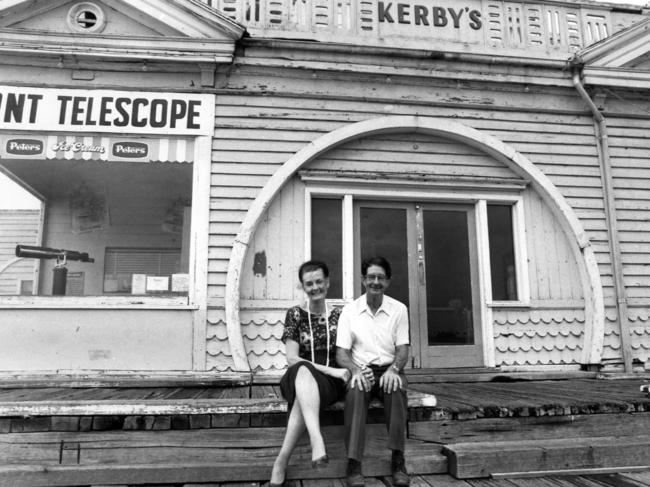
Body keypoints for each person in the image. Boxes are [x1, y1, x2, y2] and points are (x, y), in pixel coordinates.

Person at [269, 260, 351, 487]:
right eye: (309, 283)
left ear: (327, 282)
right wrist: (331, 370)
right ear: (302, 286)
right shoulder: (295, 314)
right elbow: (292, 358)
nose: (315, 287)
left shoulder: (341, 316)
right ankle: (317, 439)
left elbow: (349, 351)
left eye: (318, 282)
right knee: (303, 370)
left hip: (328, 386)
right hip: (297, 378)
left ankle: (282, 459)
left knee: (303, 396)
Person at [336, 256, 411, 487]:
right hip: (362, 370)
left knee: (396, 388)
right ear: (362, 280)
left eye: (380, 277)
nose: (375, 282)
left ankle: (398, 460)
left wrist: (394, 370)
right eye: (371, 277)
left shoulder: (399, 309)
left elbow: (403, 349)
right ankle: (353, 464)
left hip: (389, 369)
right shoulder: (349, 311)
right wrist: (356, 370)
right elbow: (341, 353)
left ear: (387, 282)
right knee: (355, 391)